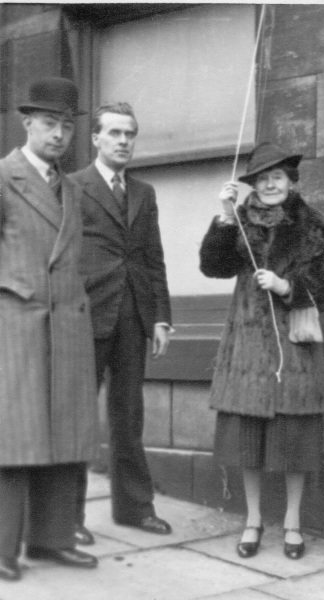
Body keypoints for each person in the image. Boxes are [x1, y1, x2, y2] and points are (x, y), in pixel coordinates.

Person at [199, 142, 324, 560]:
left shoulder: (314, 226)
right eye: (262, 179)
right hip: (247, 343)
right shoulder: (239, 220)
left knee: (294, 435)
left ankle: (293, 521)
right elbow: (214, 267)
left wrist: (286, 287)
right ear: (252, 187)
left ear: (291, 181)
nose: (270, 184)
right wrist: (224, 218)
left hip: (294, 344)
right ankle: (254, 520)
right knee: (248, 437)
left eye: (277, 177)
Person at [0, 77, 100, 581]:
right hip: (16, 329)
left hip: (67, 327)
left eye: (66, 125)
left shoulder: (72, 188)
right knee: (15, 442)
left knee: (65, 436)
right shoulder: (3, 177)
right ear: (27, 124)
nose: (59, 134)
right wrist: (13, 288)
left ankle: (51, 539)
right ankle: (1, 549)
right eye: (49, 123)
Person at [70, 102, 173, 544]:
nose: (124, 141)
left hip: (133, 317)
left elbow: (154, 258)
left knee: (128, 417)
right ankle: (66, 518)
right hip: (84, 315)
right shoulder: (71, 187)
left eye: (130, 134)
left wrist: (163, 318)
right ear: (95, 138)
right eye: (114, 133)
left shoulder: (144, 193)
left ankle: (134, 508)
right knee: (74, 419)